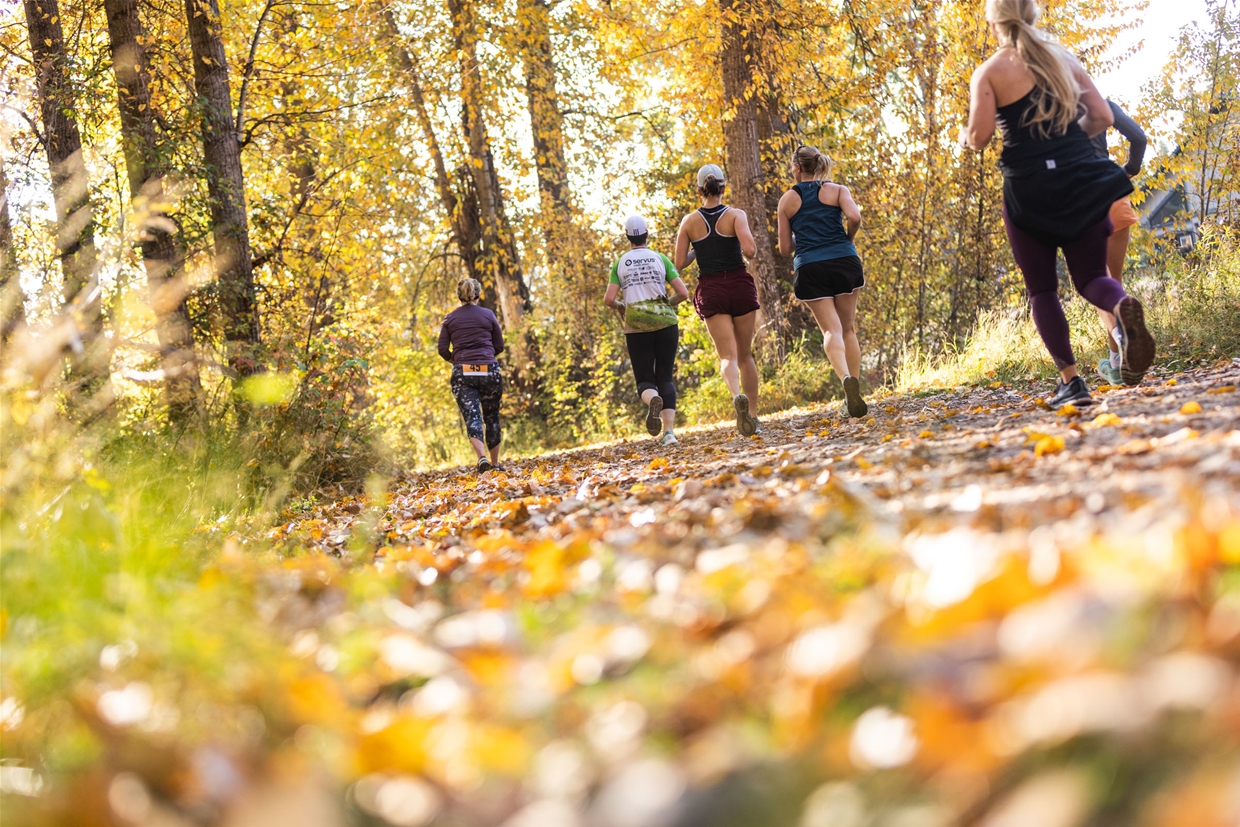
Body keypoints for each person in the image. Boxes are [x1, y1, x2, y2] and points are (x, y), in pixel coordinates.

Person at [961, 0, 1155, 407]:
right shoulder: (1062, 60)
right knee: (1090, 277)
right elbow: (1101, 116)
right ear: (1032, 15)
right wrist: (1064, 144)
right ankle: (1122, 309)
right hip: (1081, 179)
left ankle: (1071, 382)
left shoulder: (990, 72)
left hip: (1029, 188)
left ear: (994, 22)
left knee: (1042, 290)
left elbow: (979, 138)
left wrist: (968, 136)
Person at [776, 144, 869, 418]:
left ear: (796, 168)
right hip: (844, 260)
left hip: (811, 267)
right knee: (848, 329)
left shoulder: (787, 201)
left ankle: (845, 382)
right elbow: (854, 217)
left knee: (831, 330)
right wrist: (847, 238)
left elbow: (784, 248)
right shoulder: (838, 190)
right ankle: (855, 389)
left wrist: (803, 233)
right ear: (818, 165)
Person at [674, 164, 763, 436]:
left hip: (711, 288)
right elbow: (750, 250)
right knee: (746, 355)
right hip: (738, 283)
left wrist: (698, 251)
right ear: (724, 187)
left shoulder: (689, 222)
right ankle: (753, 415)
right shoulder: (735, 215)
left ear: (699, 190)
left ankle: (737, 395)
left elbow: (679, 263)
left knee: (728, 356)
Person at [605, 215, 691, 445]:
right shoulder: (660, 258)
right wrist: (664, 305)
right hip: (666, 325)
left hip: (636, 329)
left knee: (645, 379)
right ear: (647, 235)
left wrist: (623, 307)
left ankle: (653, 399)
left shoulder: (620, 263)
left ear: (627, 237)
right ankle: (669, 433)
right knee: (665, 377)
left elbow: (609, 299)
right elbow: (683, 294)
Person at [1091, 100, 1147, 385]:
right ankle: (1116, 365)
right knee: (1114, 286)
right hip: (1113, 190)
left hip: (1081, 198)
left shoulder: (1047, 109)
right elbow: (1138, 137)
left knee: (1097, 281)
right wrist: (1130, 169)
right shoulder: (1098, 101)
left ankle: (1123, 336)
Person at [438, 277, 505, 472]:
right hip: (489, 370)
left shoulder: (450, 319)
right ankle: (496, 464)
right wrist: (485, 357)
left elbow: (442, 349)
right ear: (478, 294)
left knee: (472, 416)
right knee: (492, 416)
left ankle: (481, 458)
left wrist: (456, 360)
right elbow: (499, 345)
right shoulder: (488, 314)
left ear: (459, 295)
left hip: (463, 372)